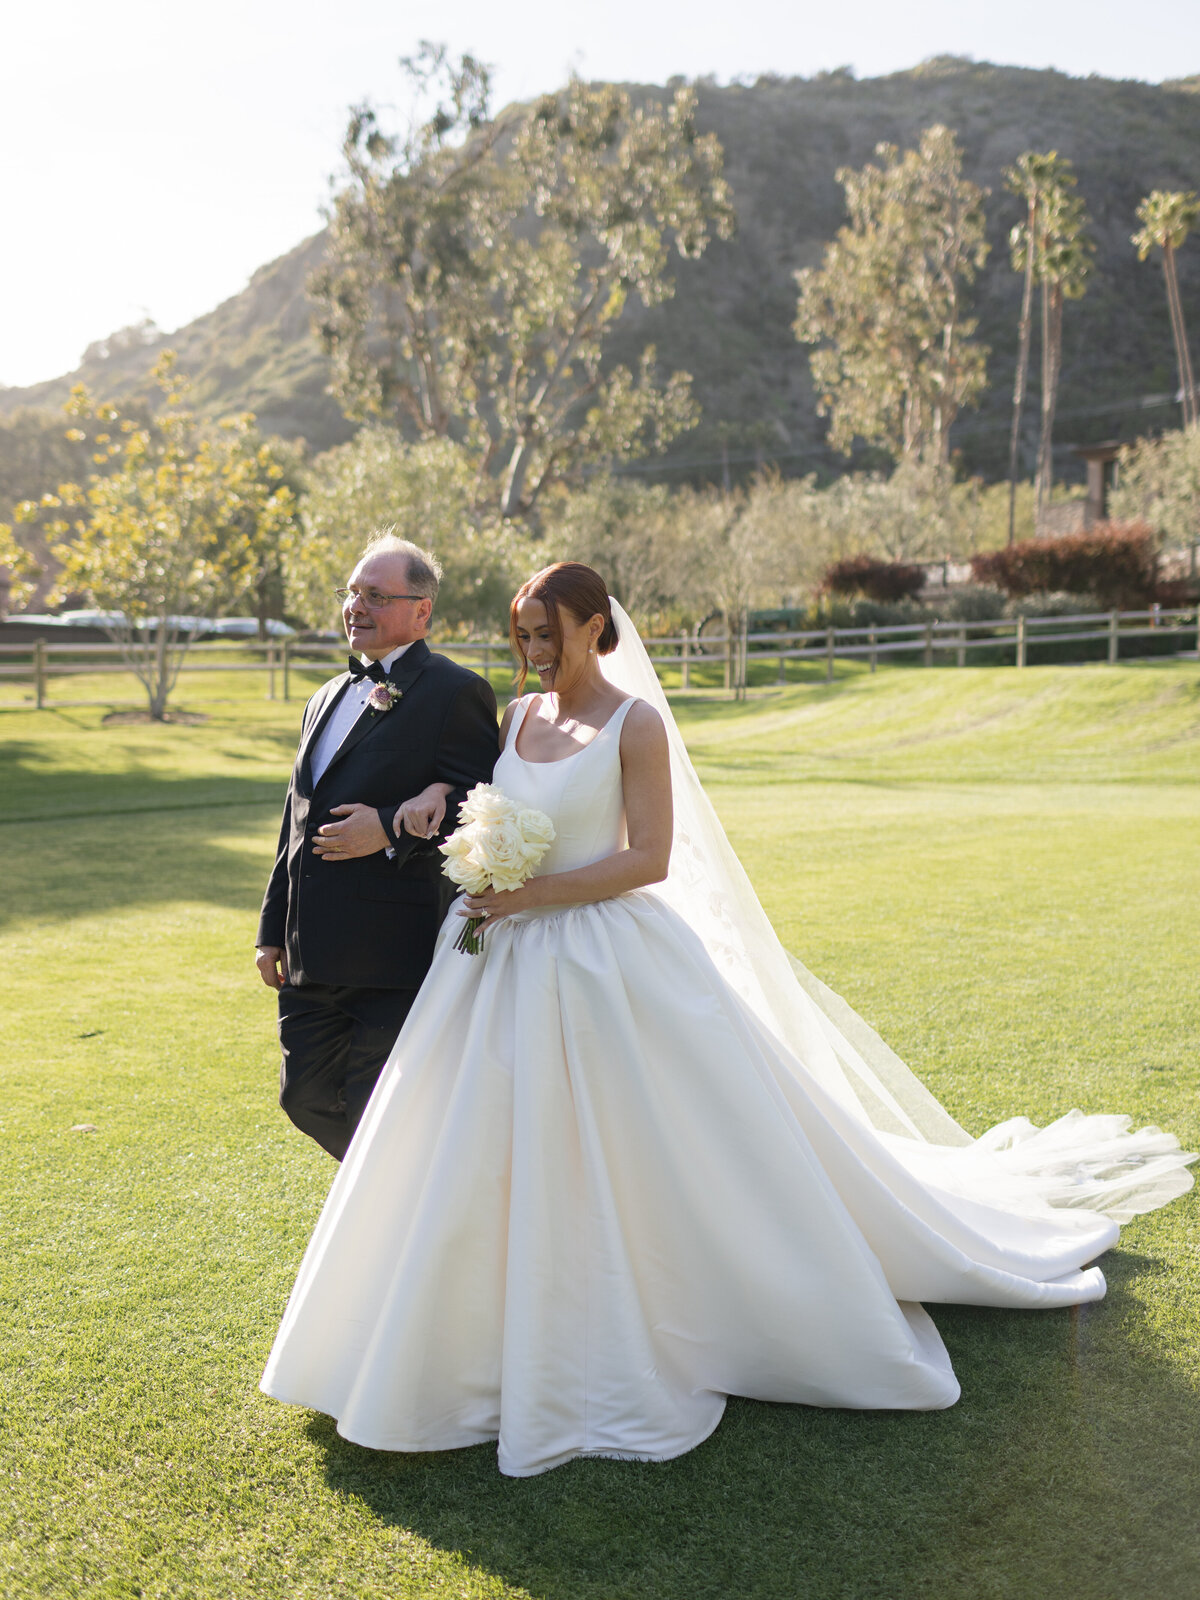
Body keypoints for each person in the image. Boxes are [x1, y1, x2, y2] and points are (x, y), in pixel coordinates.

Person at [260, 562, 1194, 1476]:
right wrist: (456, 837)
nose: (535, 652)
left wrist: (534, 891)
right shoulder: (516, 716)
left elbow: (650, 859)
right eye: (523, 636)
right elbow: (477, 801)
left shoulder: (634, 725)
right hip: (493, 954)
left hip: (598, 953)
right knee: (472, 1136)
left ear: (595, 627)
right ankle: (468, 1329)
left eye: (548, 633)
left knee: (650, 1138)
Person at [254, 532, 500, 1161]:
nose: (356, 606)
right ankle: (406, 1202)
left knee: (376, 1106)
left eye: (376, 595)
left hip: (392, 954)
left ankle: (399, 1235)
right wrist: (271, 928)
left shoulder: (455, 692)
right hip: (310, 951)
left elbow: (482, 816)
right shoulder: (324, 697)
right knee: (303, 1098)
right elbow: (295, 818)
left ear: (421, 610)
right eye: (352, 592)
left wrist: (388, 827)